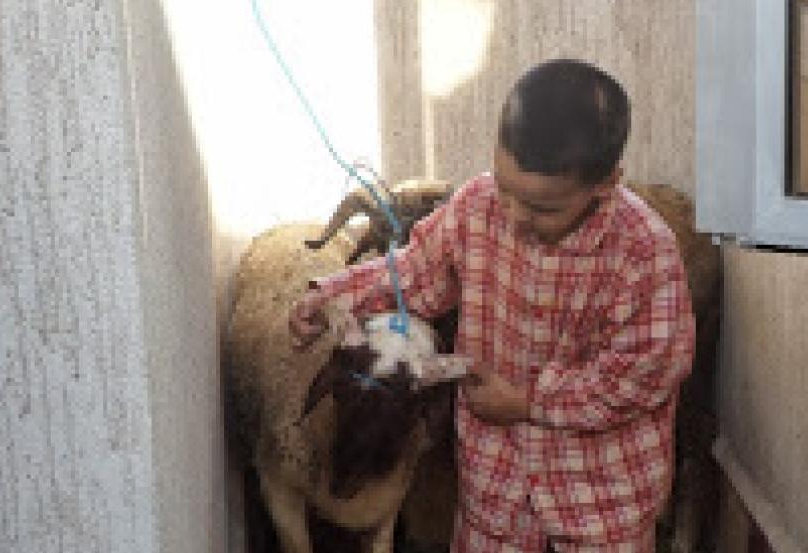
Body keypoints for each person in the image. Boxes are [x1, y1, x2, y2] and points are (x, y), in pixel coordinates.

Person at [289, 58, 695, 552]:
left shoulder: (644, 251)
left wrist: (529, 403)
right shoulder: (474, 206)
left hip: (602, 496)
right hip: (497, 487)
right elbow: (417, 273)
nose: (514, 215)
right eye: (505, 189)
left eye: (543, 208)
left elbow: (644, 373)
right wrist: (332, 296)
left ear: (605, 183)